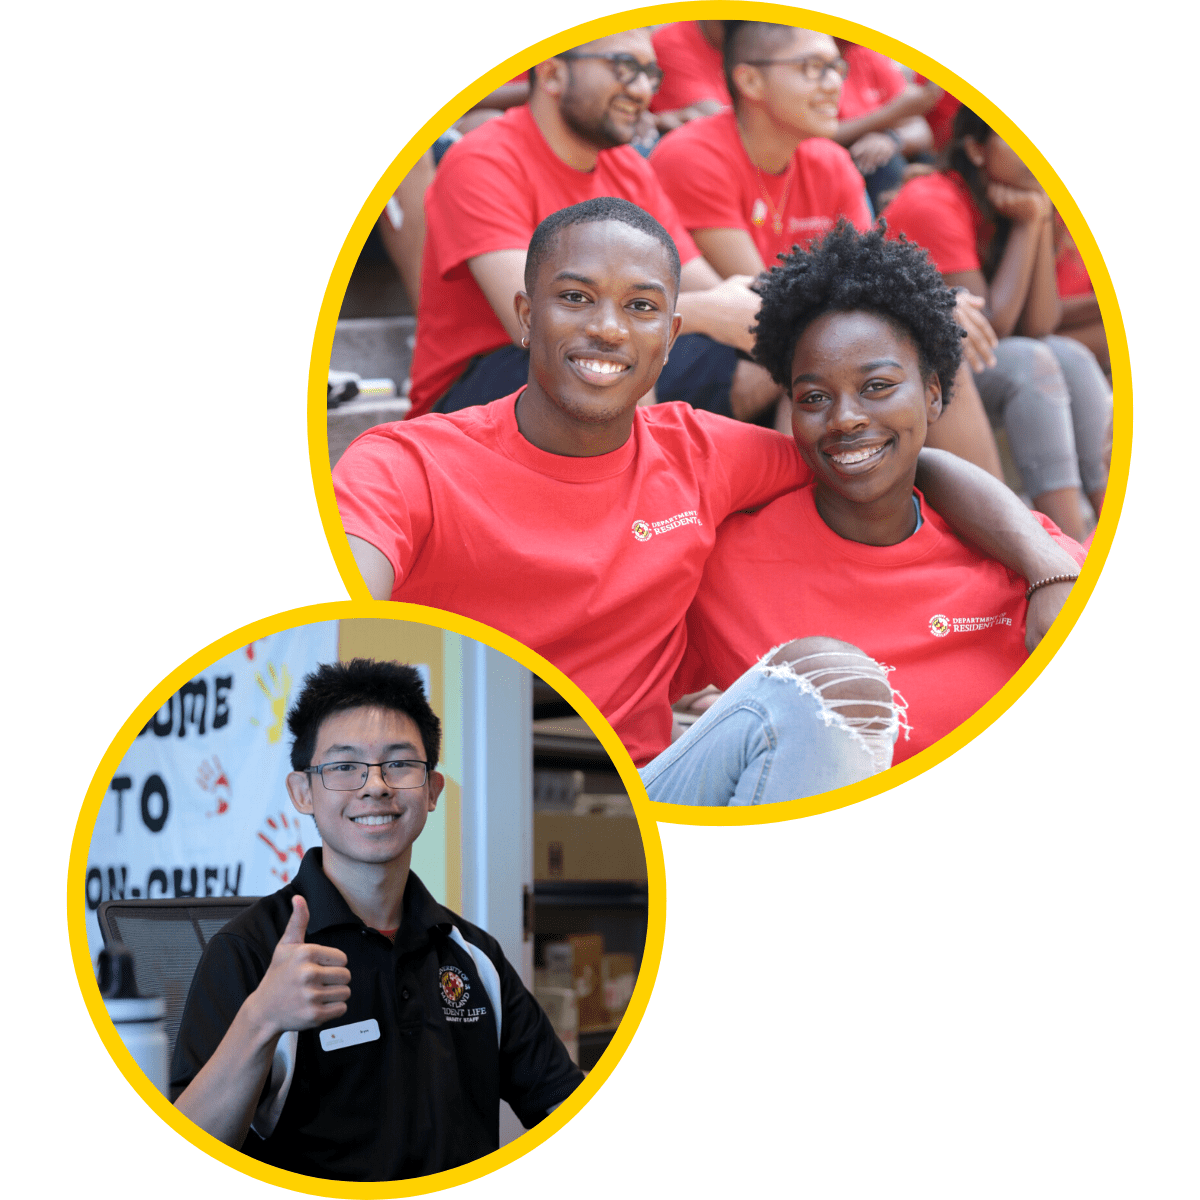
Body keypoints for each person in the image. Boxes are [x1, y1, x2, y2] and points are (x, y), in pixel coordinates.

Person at [334, 197, 1085, 778]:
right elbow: (330, 605)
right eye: (575, 298)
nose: (608, 329)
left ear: (671, 337)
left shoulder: (702, 454)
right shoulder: (408, 464)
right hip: (450, 785)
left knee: (830, 689)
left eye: (640, 307)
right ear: (525, 318)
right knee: (829, 686)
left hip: (636, 792)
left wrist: (1044, 563)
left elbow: (892, 458)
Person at [645, 223, 1084, 804]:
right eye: (814, 397)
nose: (845, 418)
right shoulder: (724, 563)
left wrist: (1048, 569)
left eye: (877, 386)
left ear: (932, 393)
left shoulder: (1030, 558)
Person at [171, 659, 582, 1181]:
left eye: (399, 764)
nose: (375, 786)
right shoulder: (249, 950)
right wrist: (263, 1018)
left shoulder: (473, 956)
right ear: (303, 793)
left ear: (431, 791)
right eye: (345, 766)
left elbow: (562, 1105)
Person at [650, 21, 1004, 469]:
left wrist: (927, 304)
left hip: (783, 340)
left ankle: (998, 531)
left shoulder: (831, 160)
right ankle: (797, 528)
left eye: (836, 67)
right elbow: (769, 301)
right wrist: (919, 305)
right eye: (813, 68)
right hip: (708, 348)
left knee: (930, 339)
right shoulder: (693, 153)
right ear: (750, 80)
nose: (835, 82)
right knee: (825, 356)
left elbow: (869, 269)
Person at [407, 26, 779, 422]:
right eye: (623, 67)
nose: (641, 90)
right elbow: (534, 319)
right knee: (609, 360)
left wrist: (761, 312)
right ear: (552, 74)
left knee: (779, 358)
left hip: (590, 355)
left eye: (650, 74)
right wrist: (706, 313)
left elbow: (698, 281)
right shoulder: (483, 159)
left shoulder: (628, 168)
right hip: (483, 383)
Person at [884, 106, 1112, 540]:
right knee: (1030, 362)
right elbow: (989, 331)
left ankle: (1108, 518)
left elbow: (1042, 322)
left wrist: (1038, 219)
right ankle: (1067, 547)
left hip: (971, 364)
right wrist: (1030, 227)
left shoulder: (1016, 198)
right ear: (974, 148)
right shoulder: (934, 200)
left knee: (1071, 354)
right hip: (913, 370)